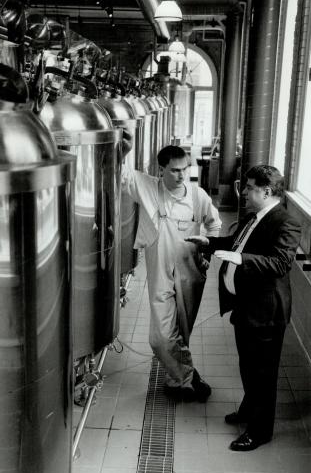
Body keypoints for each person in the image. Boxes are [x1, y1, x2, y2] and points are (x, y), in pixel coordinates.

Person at [185, 165, 301, 450]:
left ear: (267, 191)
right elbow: (234, 244)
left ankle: (260, 431)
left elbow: (280, 263)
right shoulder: (254, 218)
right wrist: (209, 243)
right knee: (248, 366)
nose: (244, 192)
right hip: (247, 307)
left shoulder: (285, 222)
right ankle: (250, 410)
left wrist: (240, 260)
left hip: (266, 313)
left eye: (249, 187)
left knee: (263, 373)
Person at [122, 145, 222, 402]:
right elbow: (118, 174)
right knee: (161, 337)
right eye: (175, 170)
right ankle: (188, 376)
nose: (181, 176)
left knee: (181, 329)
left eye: (185, 169)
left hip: (191, 268)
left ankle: (178, 379)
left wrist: (209, 249)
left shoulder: (198, 196)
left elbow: (214, 223)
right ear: (161, 169)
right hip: (161, 269)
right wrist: (122, 149)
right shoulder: (147, 187)